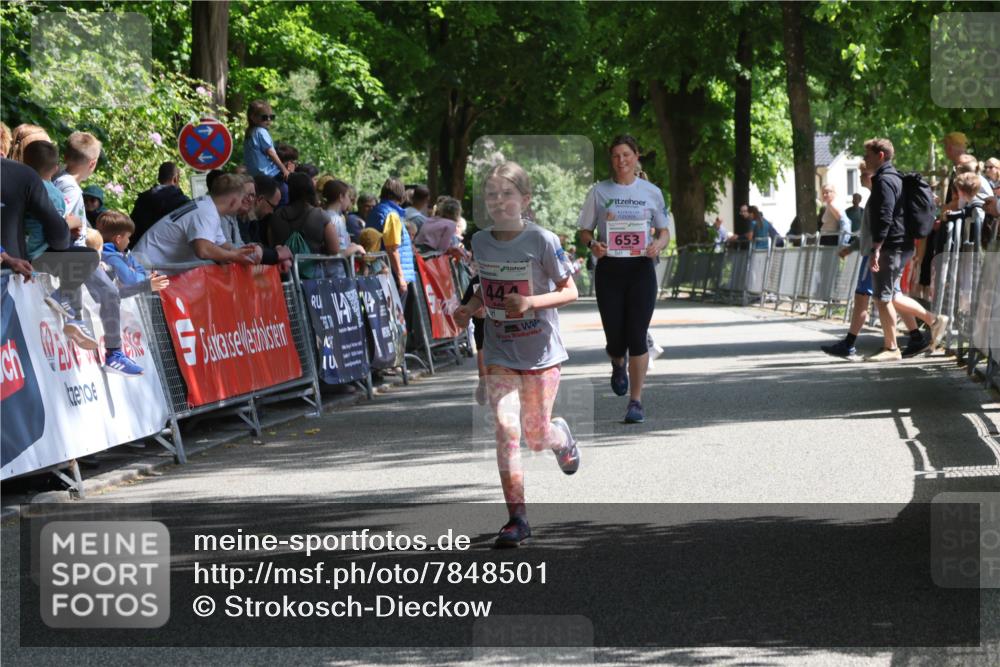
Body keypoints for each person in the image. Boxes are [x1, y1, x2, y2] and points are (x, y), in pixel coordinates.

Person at [453, 161, 580, 549]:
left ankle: (562, 440)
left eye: (507, 193)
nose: (498, 201)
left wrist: (530, 302)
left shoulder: (542, 240)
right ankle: (517, 518)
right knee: (507, 428)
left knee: (536, 435)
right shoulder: (480, 241)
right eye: (491, 194)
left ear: (524, 199)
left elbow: (569, 290)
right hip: (500, 350)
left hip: (541, 351)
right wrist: (467, 308)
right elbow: (484, 288)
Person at [577, 134, 671, 423]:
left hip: (641, 268)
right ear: (611, 159)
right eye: (616, 156)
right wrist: (593, 245)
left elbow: (664, 230)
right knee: (616, 338)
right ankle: (618, 363)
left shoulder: (651, 192)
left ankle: (636, 401)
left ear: (636, 156)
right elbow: (584, 231)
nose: (621, 161)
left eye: (626, 155)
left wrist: (659, 244)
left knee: (637, 335)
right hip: (611, 271)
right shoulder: (599, 192)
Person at [822, 161, 928, 360]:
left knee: (866, 297)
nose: (860, 176)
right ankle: (915, 336)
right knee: (894, 297)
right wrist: (853, 247)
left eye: (863, 173)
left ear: (872, 176)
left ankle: (853, 343)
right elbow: (868, 231)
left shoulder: (878, 198)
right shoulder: (877, 197)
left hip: (877, 254)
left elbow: (875, 231)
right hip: (884, 252)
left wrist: (870, 249)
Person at [863, 137, 949, 361]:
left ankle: (892, 348)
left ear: (880, 155)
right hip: (901, 244)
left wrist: (877, 247)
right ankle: (932, 322)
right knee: (891, 295)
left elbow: (885, 215)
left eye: (868, 155)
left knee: (883, 297)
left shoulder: (884, 180)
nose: (865, 159)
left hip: (893, 245)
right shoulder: (895, 177)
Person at [133, 173, 259, 272]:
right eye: (241, 200)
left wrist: (244, 253)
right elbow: (203, 249)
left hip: (146, 269)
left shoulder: (207, 206)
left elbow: (224, 246)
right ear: (233, 201)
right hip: (144, 272)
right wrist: (234, 256)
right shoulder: (207, 213)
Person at [20, 140, 78, 260]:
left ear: (23, 162)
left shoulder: (17, 185)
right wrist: (72, 223)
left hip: (17, 246)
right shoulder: (55, 195)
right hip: (38, 253)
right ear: (55, 169)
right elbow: (57, 231)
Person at [98, 211, 170, 295]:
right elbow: (131, 280)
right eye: (128, 237)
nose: (129, 241)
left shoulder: (124, 254)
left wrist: (138, 275)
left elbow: (140, 270)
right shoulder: (111, 257)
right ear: (118, 239)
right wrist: (143, 278)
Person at [366, 178, 416, 299]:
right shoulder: (392, 215)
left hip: (379, 269)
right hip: (391, 273)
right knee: (396, 315)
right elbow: (392, 248)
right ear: (401, 194)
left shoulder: (376, 211)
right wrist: (400, 277)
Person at [129, 161, 190, 248]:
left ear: (159, 178)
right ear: (175, 179)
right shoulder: (182, 202)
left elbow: (133, 227)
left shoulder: (143, 199)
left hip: (141, 250)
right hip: (169, 253)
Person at [242, 100, 288, 181]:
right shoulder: (261, 131)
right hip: (268, 174)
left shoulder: (249, 133)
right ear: (253, 118)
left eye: (271, 117)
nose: (269, 120)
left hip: (254, 176)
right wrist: (283, 169)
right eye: (265, 117)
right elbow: (270, 152)